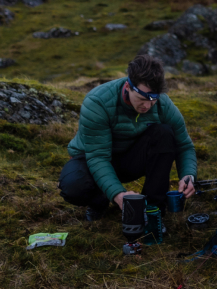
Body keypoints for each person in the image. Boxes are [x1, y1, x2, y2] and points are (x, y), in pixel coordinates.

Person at [58, 55, 198, 254]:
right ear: (128, 86)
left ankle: (153, 211)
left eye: (153, 100)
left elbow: (185, 145)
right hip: (92, 158)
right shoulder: (98, 102)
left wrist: (189, 175)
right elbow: (98, 157)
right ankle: (99, 202)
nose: (147, 106)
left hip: (129, 159)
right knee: (74, 185)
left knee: (164, 134)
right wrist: (118, 194)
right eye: (142, 99)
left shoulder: (161, 104)